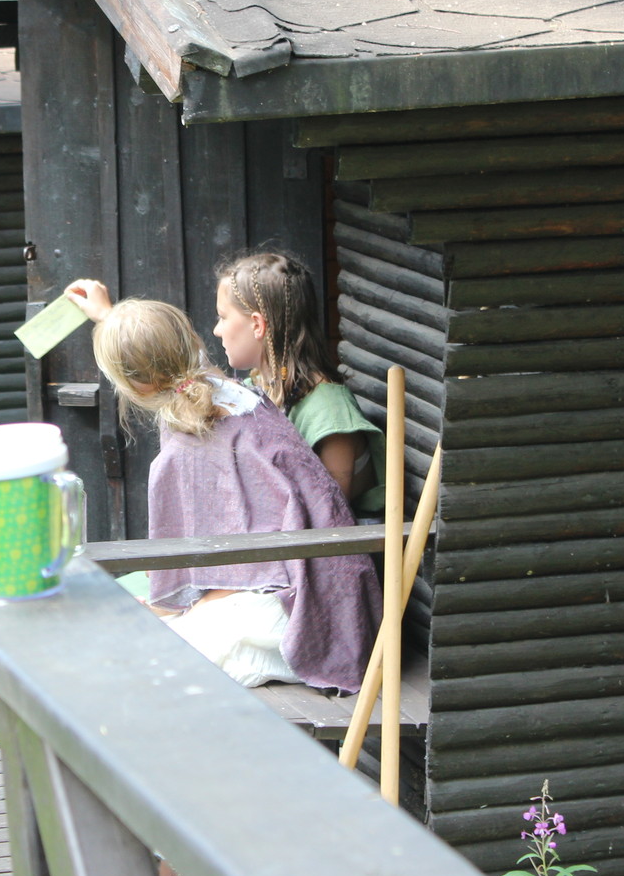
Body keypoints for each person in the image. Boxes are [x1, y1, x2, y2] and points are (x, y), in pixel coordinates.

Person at [75, 294, 378, 693]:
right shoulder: (230, 393)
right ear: (191, 342)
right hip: (334, 593)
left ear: (133, 385)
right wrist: (108, 315)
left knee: (132, 666)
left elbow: (254, 567)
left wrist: (179, 613)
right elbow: (153, 349)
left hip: (299, 614)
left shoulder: (193, 443)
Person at [70, 251, 387, 519]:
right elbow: (171, 368)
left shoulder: (329, 410)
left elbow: (329, 517)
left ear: (257, 325)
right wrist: (109, 318)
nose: (216, 330)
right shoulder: (254, 389)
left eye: (222, 316)